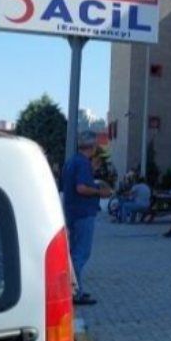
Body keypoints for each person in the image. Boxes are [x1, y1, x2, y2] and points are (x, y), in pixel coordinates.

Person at [61, 131, 112, 306]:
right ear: (93, 146)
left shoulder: (72, 162)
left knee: (74, 251)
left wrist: (92, 171)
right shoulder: (82, 163)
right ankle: (75, 292)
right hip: (83, 213)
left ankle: (73, 289)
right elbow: (81, 188)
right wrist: (100, 192)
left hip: (72, 212)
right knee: (81, 253)